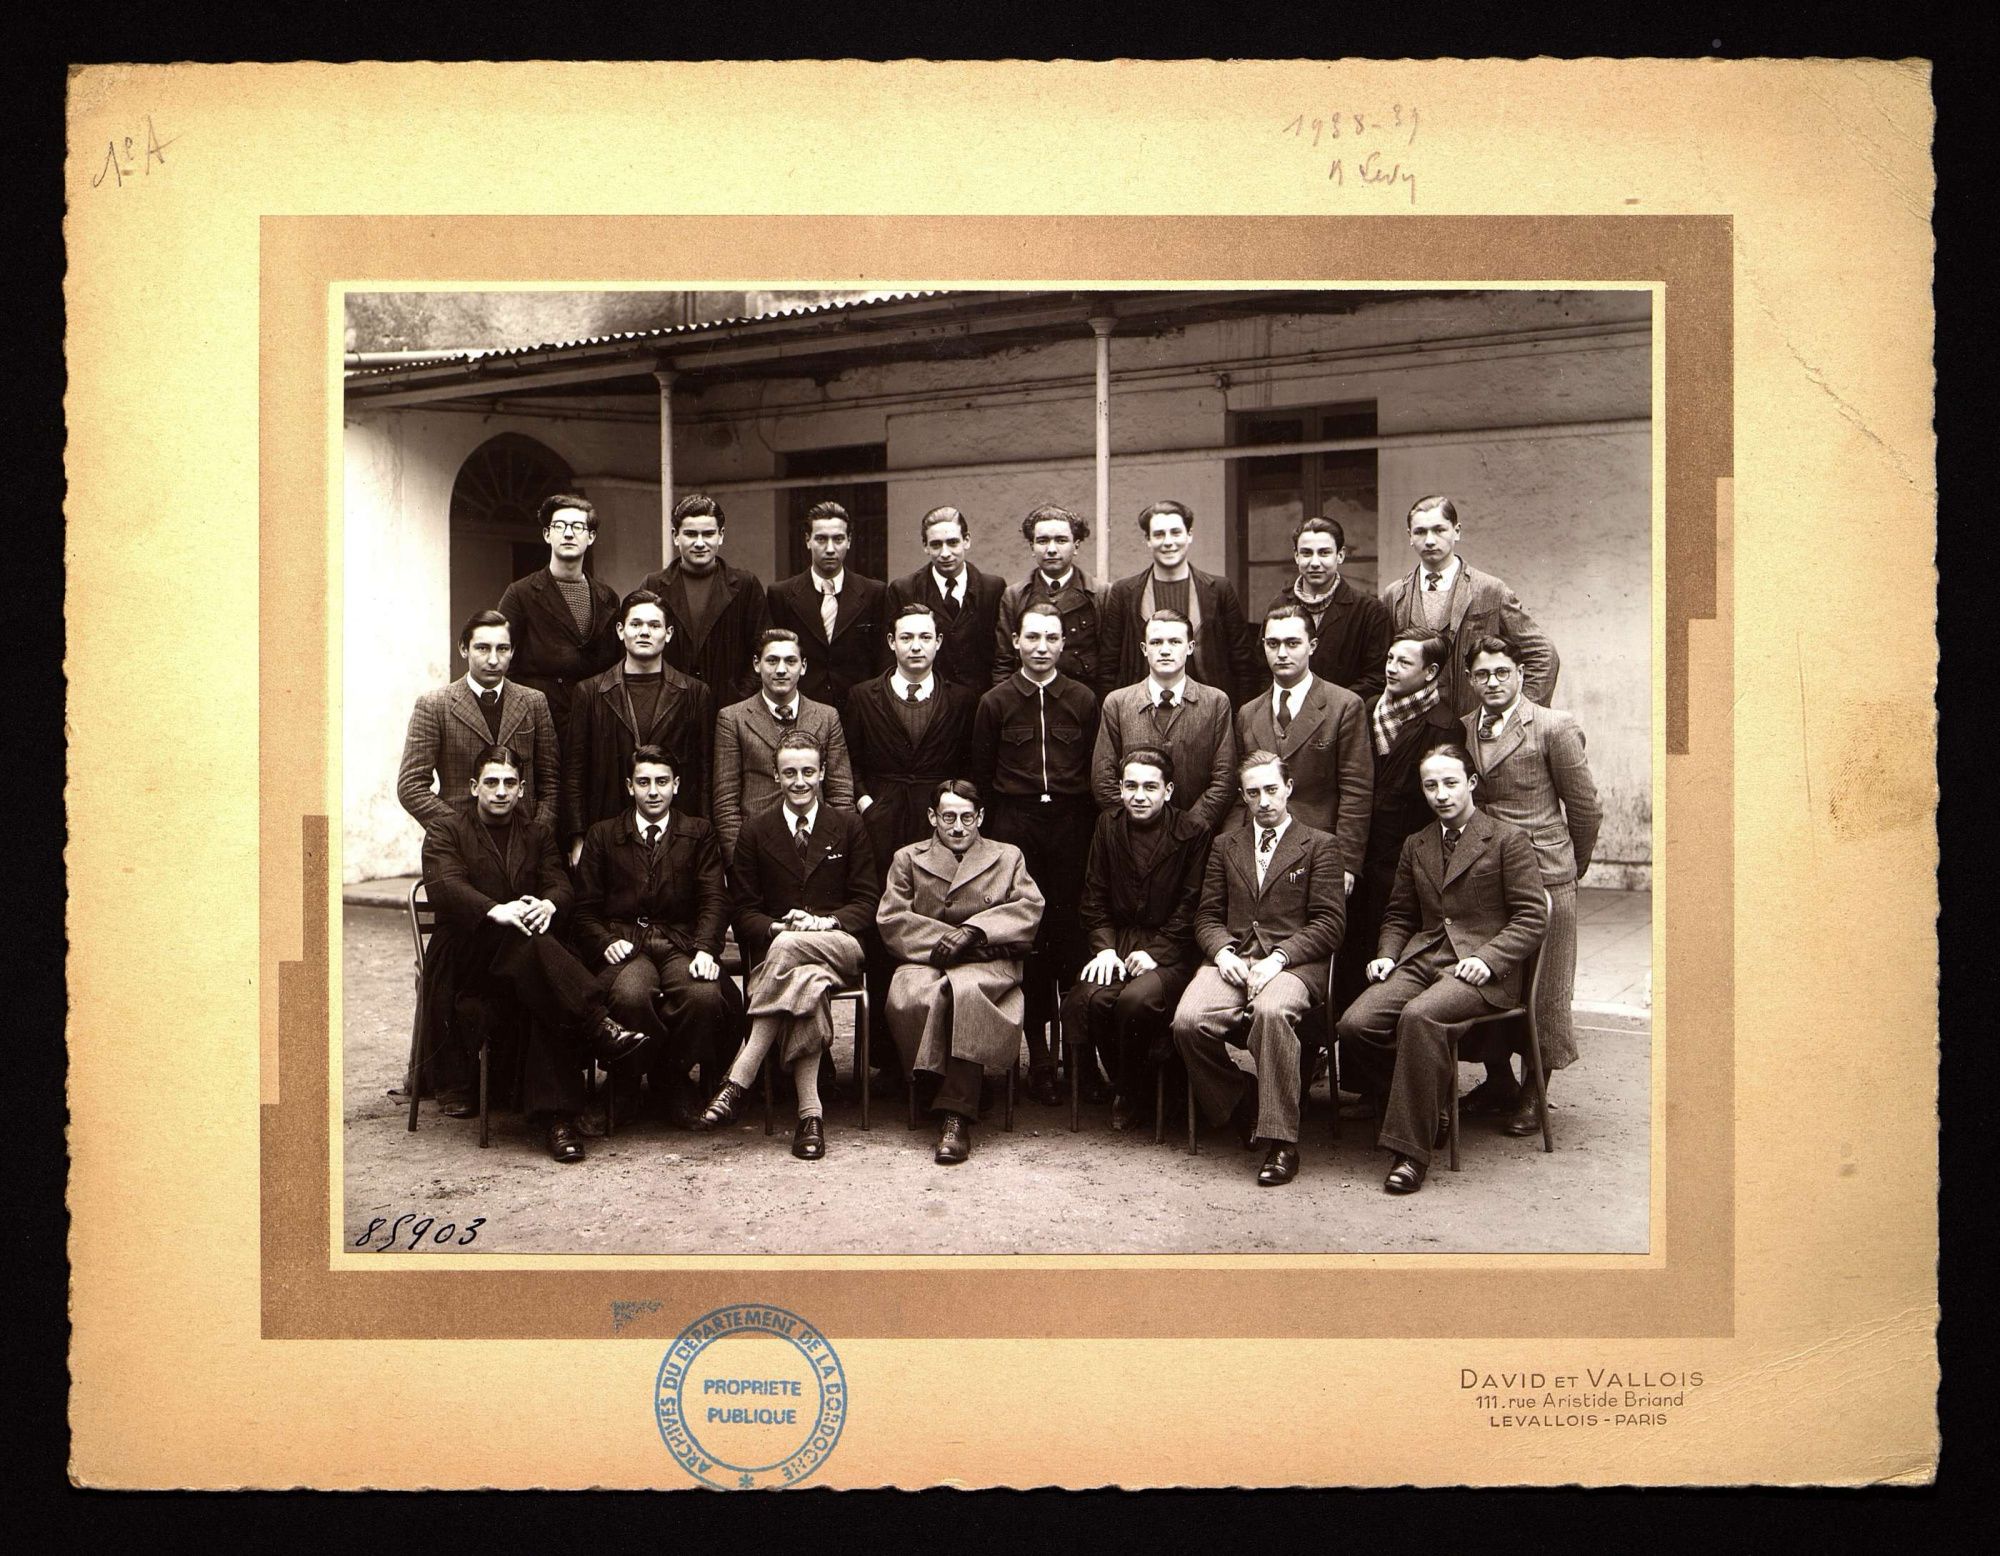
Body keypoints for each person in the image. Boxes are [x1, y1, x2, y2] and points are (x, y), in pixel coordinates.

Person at [418, 746, 652, 1163]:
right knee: (536, 952)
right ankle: (597, 1023)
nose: (501, 792)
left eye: (510, 783)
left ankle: (557, 1123)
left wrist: (548, 905)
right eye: (491, 782)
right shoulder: (446, 831)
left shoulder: (537, 834)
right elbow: (445, 887)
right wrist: (498, 910)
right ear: (474, 787)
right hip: (468, 962)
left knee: (542, 987)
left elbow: (561, 884)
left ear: (522, 789)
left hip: (527, 967)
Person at [1336, 743, 1549, 1195]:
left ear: (1471, 783)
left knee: (1419, 1017)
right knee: (1355, 1025)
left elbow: (1532, 917)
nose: (1441, 794)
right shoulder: (1417, 844)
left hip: (1481, 971)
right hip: (1423, 958)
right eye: (1431, 785)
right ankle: (1431, 1105)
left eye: (1451, 783)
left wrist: (1488, 959)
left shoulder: (1507, 839)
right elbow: (1399, 915)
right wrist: (1388, 954)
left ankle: (1410, 1154)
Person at [701, 733, 882, 1160]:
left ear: (821, 774)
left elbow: (868, 902)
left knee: (793, 952)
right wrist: (780, 928)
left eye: (807, 772)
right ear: (775, 776)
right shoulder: (756, 830)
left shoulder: (849, 825)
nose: (799, 781)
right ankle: (810, 1116)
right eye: (789, 773)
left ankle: (739, 1076)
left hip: (841, 948)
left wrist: (823, 922)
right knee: (806, 981)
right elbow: (743, 912)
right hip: (797, 966)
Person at [1170, 751, 1346, 1187]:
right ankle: (1243, 1097)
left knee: (1271, 1013)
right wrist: (1224, 953)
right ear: (1242, 797)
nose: (1264, 801)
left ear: (1288, 788)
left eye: (1271, 789)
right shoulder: (1224, 844)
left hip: (1294, 962)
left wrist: (1281, 958)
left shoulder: (1320, 845)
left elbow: (1329, 923)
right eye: (1253, 793)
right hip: (1234, 957)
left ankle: (1282, 1142)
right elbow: (1206, 916)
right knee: (1187, 1022)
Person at [1459, 634, 1602, 1137]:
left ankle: (1533, 1092)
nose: (1492, 682)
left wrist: (1569, 869)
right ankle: (1497, 1079)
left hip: (1544, 873)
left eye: (1502, 672)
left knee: (1545, 989)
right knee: (1494, 978)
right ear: (1471, 680)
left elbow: (1585, 808)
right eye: (1482, 674)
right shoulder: (1465, 729)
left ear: (1521, 674)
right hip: (1489, 872)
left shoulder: (1553, 727)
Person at [966, 601, 1100, 1104]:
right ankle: (1040, 1059)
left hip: (1071, 825)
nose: (1041, 647)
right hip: (1016, 825)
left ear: (1064, 644)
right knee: (1030, 939)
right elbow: (981, 776)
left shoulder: (1084, 700)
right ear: (1016, 643)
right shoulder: (996, 702)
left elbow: (1092, 767)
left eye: (1051, 638)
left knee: (1072, 936)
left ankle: (1080, 1061)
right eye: (1032, 638)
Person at [571, 746, 744, 1128]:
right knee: (630, 995)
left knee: (704, 995)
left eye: (662, 782)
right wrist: (603, 941)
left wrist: (705, 950)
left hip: (680, 943)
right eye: (644, 782)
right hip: (626, 945)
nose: (653, 791)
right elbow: (583, 908)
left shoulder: (698, 832)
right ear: (629, 786)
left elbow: (714, 899)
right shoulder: (604, 835)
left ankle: (672, 1079)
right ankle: (626, 1084)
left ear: (676, 785)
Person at [876, 781, 1045, 1165]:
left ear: (980, 817)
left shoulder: (1007, 857)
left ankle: (955, 1117)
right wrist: (946, 942)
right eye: (948, 817)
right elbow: (892, 920)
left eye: (967, 817)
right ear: (932, 817)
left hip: (988, 962)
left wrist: (973, 933)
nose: (958, 827)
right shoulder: (907, 858)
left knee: (965, 993)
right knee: (910, 996)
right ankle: (937, 1084)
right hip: (925, 960)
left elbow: (1029, 907)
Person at [1062, 748, 1211, 1131]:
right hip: (1119, 941)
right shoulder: (1108, 826)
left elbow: (1193, 904)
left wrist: (1157, 953)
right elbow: (1093, 895)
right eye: (1130, 786)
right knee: (1087, 999)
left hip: (1173, 950)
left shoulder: (1192, 832)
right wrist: (1105, 949)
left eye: (1149, 787)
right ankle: (1132, 1087)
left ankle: (1136, 1090)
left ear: (1169, 790)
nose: (1138, 796)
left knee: (1135, 1001)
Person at [1338, 630, 1462, 1014]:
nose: (1391, 668)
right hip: (1361, 853)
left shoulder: (1443, 725)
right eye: (1390, 658)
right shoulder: (1368, 708)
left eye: (1404, 662)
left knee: (1390, 958)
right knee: (1349, 956)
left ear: (1430, 673)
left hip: (1405, 863)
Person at [559, 589, 716, 861]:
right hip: (605, 831)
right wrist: (577, 837)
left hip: (676, 836)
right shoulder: (590, 692)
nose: (644, 632)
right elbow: (575, 770)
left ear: (668, 634)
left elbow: (703, 774)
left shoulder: (695, 693)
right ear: (621, 631)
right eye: (636, 624)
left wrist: (701, 839)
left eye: (654, 625)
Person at [1234, 603, 1372, 894]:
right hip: (1260, 849)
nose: (1282, 653)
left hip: (1320, 850)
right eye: (1273, 644)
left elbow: (1356, 789)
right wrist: (1233, 851)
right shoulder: (1248, 712)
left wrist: (1346, 862)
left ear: (1312, 645)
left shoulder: (1343, 705)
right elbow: (1240, 794)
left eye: (1292, 643)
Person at [1381, 494, 1558, 716]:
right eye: (1420, 532)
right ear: (1410, 536)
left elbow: (1543, 655)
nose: (1429, 540)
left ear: (1457, 531)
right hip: (1413, 725)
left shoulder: (1490, 590)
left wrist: (1519, 713)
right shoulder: (1395, 594)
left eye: (1439, 530)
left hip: (1472, 725)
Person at [397, 609, 560, 832]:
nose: (493, 659)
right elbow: (411, 786)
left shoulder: (534, 702)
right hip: (458, 843)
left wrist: (537, 833)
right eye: (482, 648)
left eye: (502, 649)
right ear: (464, 649)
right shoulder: (434, 705)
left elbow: (551, 781)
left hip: (522, 841)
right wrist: (459, 830)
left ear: (512, 651)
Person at [711, 627, 856, 864]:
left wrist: (835, 853)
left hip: (817, 845)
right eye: (772, 661)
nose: (781, 670)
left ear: (803, 666)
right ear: (757, 665)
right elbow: (726, 802)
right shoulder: (733, 718)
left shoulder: (827, 716)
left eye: (790, 661)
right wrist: (740, 862)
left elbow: (841, 794)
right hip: (759, 847)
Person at [1090, 609, 1238, 832]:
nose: (1165, 650)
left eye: (1175, 642)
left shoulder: (1215, 702)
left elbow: (1225, 779)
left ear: (1190, 648)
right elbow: (1103, 779)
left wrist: (1190, 827)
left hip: (1196, 837)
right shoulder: (1118, 703)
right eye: (1156, 642)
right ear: (1144, 649)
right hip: (1133, 836)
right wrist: (1139, 823)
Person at [1099, 499, 1258, 704]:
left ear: (1189, 535)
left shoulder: (1219, 590)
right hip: (1140, 710)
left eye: (1175, 532)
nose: (1168, 542)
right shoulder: (1124, 592)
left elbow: (1243, 663)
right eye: (1158, 534)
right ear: (1147, 540)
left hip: (1208, 712)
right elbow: (1107, 667)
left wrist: (1237, 718)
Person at [496, 494, 623, 743]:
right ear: (547, 535)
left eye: (577, 527)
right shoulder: (520, 593)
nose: (568, 534)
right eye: (559, 526)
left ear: (591, 537)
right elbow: (502, 656)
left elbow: (615, 662)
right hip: (538, 719)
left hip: (593, 721)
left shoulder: (607, 597)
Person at [638, 492, 771, 708]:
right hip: (668, 708)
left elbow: (762, 649)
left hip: (729, 708)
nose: (700, 543)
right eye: (690, 534)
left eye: (708, 534)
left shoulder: (745, 585)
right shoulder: (653, 585)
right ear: (675, 536)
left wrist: (740, 699)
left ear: (721, 535)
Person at [765, 501, 889, 711]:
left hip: (859, 710)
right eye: (821, 539)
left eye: (838, 539)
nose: (830, 548)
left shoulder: (874, 593)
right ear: (807, 540)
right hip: (803, 709)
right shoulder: (782, 594)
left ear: (849, 541)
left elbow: (882, 658)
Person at [1262, 515, 1390, 700]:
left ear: (1340, 555)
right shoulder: (1279, 605)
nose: (1315, 562)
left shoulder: (1370, 611)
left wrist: (1332, 707)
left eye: (1324, 553)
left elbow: (1377, 678)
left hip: (1344, 719)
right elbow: (1263, 669)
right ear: (1296, 556)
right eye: (1306, 553)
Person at [886, 505, 1005, 694]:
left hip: (980, 701)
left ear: (966, 541)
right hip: (931, 702)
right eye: (936, 544)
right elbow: (893, 656)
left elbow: (1001, 654)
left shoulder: (992, 588)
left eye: (952, 542)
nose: (945, 553)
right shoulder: (905, 589)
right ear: (925, 546)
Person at [991, 503, 1104, 692]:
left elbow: (1108, 664)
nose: (1051, 549)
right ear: (1032, 547)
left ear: (1075, 546)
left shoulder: (1100, 594)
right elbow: (1004, 662)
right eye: (1042, 541)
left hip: (1083, 702)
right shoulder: (1014, 596)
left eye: (1061, 540)